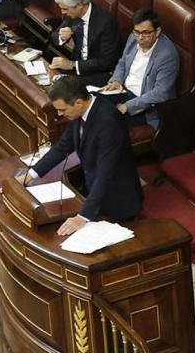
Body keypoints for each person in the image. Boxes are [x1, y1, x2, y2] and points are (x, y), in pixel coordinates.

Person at [18, 76, 143, 235]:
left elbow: (106, 174)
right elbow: (63, 147)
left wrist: (82, 216)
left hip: (117, 199)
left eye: (62, 110)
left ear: (78, 102)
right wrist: (30, 175)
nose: (59, 114)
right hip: (94, 190)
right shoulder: (81, 111)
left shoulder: (109, 123)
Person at [101, 8, 179, 128]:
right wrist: (117, 80)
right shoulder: (133, 38)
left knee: (108, 122)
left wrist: (128, 106)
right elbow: (123, 62)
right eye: (137, 32)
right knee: (92, 104)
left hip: (145, 104)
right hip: (124, 90)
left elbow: (161, 93)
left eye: (146, 33)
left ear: (157, 31)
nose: (140, 37)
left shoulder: (167, 55)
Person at [48, 0, 121, 87]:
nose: (62, 12)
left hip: (98, 74)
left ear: (79, 6)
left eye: (65, 9)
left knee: (61, 87)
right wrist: (61, 36)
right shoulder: (72, 14)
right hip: (77, 67)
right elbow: (55, 37)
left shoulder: (106, 22)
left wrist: (72, 65)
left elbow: (106, 62)